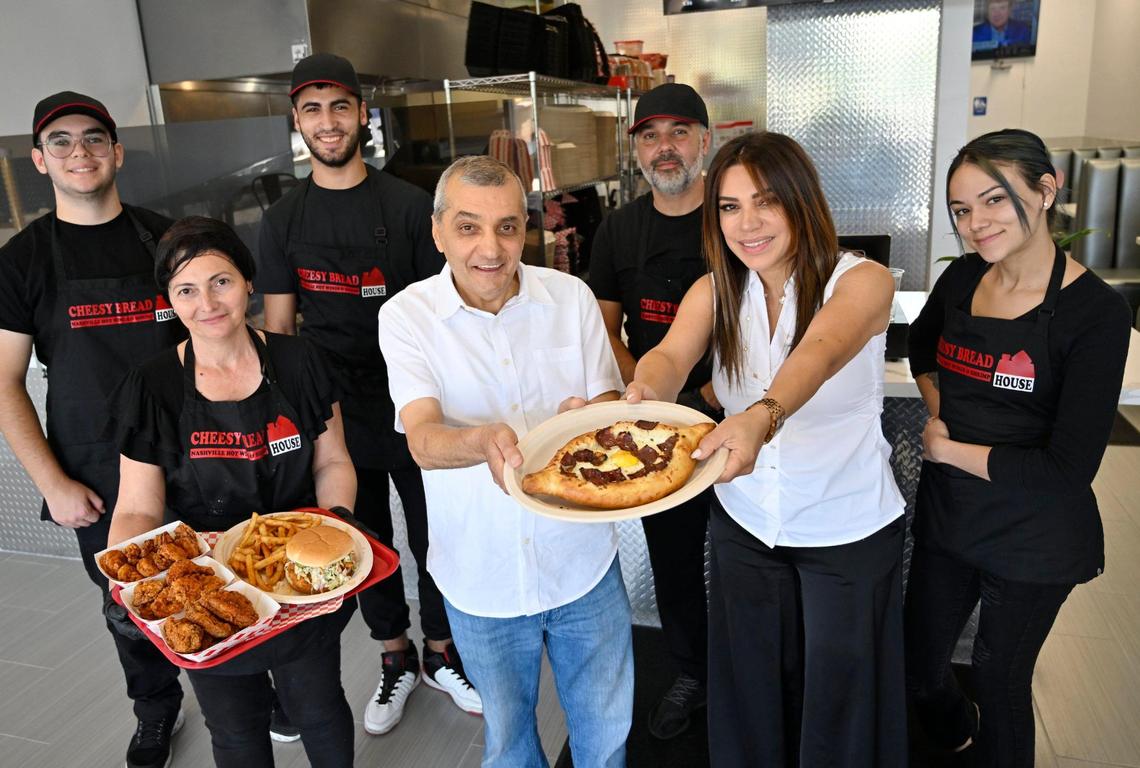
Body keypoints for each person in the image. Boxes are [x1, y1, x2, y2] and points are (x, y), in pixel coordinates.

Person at [626, 131, 907, 767]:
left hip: (847, 528)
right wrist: (638, 396)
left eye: (766, 202)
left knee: (840, 702)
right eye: (729, 207)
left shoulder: (860, 281)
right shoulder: (715, 290)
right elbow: (671, 357)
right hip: (747, 523)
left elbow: (822, 349)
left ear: (801, 201)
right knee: (746, 690)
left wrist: (763, 414)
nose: (747, 224)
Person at [377, 155, 634, 767]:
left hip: (582, 564)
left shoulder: (571, 298)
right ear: (437, 231)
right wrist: (482, 441)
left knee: (605, 734)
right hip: (480, 573)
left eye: (508, 227)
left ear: (527, 229)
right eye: (468, 227)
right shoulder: (406, 317)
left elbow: (603, 405)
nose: (490, 248)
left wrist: (591, 420)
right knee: (509, 742)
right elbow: (422, 438)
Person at [256, 52, 477, 735]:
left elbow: (440, 316)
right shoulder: (283, 220)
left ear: (362, 115)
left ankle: (444, 653)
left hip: (415, 405)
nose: (328, 122)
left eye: (340, 106)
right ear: (297, 121)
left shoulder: (410, 208)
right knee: (362, 539)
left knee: (437, 536)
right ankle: (395, 656)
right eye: (313, 109)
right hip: (332, 419)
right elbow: (280, 329)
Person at [904, 129, 1131, 767]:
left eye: (994, 201)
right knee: (921, 668)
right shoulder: (964, 280)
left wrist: (949, 452)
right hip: (951, 519)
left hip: (1033, 535)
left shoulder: (1096, 314)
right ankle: (955, 736)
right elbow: (922, 348)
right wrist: (940, 404)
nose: (977, 224)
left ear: (1044, 191)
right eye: (961, 209)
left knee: (999, 679)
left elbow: (1066, 469)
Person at [106, 216, 358, 768]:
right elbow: (137, 507)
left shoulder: (300, 362)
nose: (207, 303)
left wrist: (331, 528)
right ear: (170, 300)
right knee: (235, 730)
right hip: (207, 588)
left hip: (298, 583)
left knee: (318, 707)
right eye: (186, 290)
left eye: (221, 281)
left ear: (248, 281)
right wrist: (128, 581)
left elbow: (334, 460)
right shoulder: (150, 386)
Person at [0, 91, 185, 768]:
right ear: (39, 160)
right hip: (95, 467)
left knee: (219, 572)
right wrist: (54, 484)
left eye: (94, 138)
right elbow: (3, 381)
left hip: (192, 451)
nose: (80, 152)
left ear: (117, 151)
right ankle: (156, 710)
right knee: (129, 600)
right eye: (62, 142)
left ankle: (245, 686)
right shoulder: (22, 261)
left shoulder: (168, 240)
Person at [587, 81, 719, 740]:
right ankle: (692, 670)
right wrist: (656, 396)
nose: (664, 149)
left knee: (752, 555)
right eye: (650, 136)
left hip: (742, 420)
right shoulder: (619, 229)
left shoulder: (735, 218)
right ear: (636, 147)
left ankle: (761, 669)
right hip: (661, 424)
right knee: (672, 557)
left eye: (677, 133)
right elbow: (608, 330)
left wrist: (718, 399)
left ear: (705, 140)